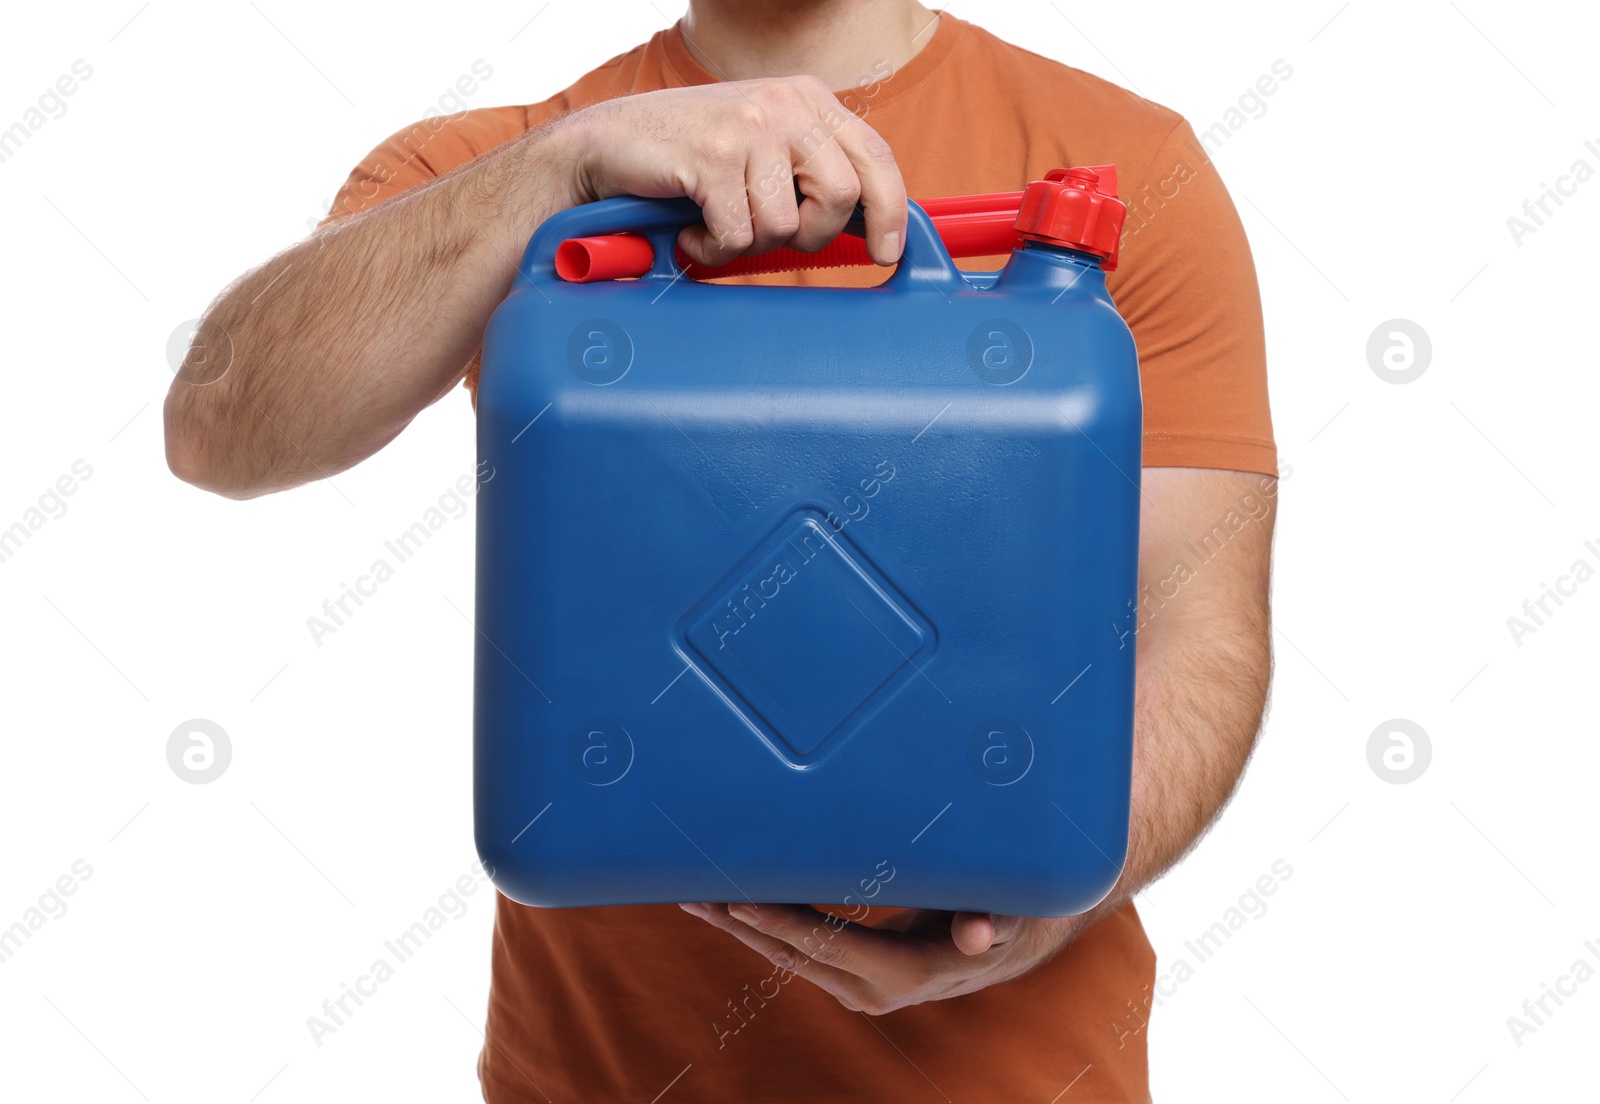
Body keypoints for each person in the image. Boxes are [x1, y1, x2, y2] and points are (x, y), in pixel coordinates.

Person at [164, 2, 1278, 1099]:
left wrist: (1046, 907)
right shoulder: (502, 164)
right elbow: (220, 427)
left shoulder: (1127, 164)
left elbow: (1196, 630)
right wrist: (555, 173)